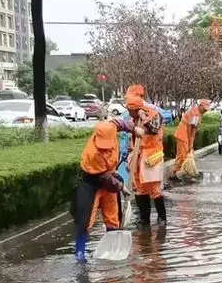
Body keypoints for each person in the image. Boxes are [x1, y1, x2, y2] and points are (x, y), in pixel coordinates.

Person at [71, 117, 137, 262]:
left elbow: (120, 123)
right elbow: (104, 177)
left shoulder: (111, 128)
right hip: (92, 182)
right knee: (86, 218)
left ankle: (112, 245)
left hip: (108, 180)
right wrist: (121, 187)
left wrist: (133, 128)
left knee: (112, 216)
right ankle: (80, 252)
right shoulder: (93, 155)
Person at [125, 86, 166, 226]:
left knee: (154, 188)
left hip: (151, 157)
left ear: (138, 109)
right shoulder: (133, 119)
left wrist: (143, 118)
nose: (130, 114)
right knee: (139, 188)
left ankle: (162, 218)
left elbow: (154, 130)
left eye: (131, 111)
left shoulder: (154, 115)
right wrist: (129, 156)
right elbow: (131, 138)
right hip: (137, 155)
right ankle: (144, 219)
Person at [171, 99, 212, 179]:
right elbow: (190, 129)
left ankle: (178, 173)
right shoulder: (195, 114)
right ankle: (177, 173)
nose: (205, 111)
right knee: (183, 155)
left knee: (183, 154)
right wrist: (190, 143)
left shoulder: (196, 112)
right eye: (204, 108)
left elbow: (192, 130)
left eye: (206, 109)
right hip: (183, 135)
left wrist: (191, 144)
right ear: (200, 106)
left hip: (183, 134)